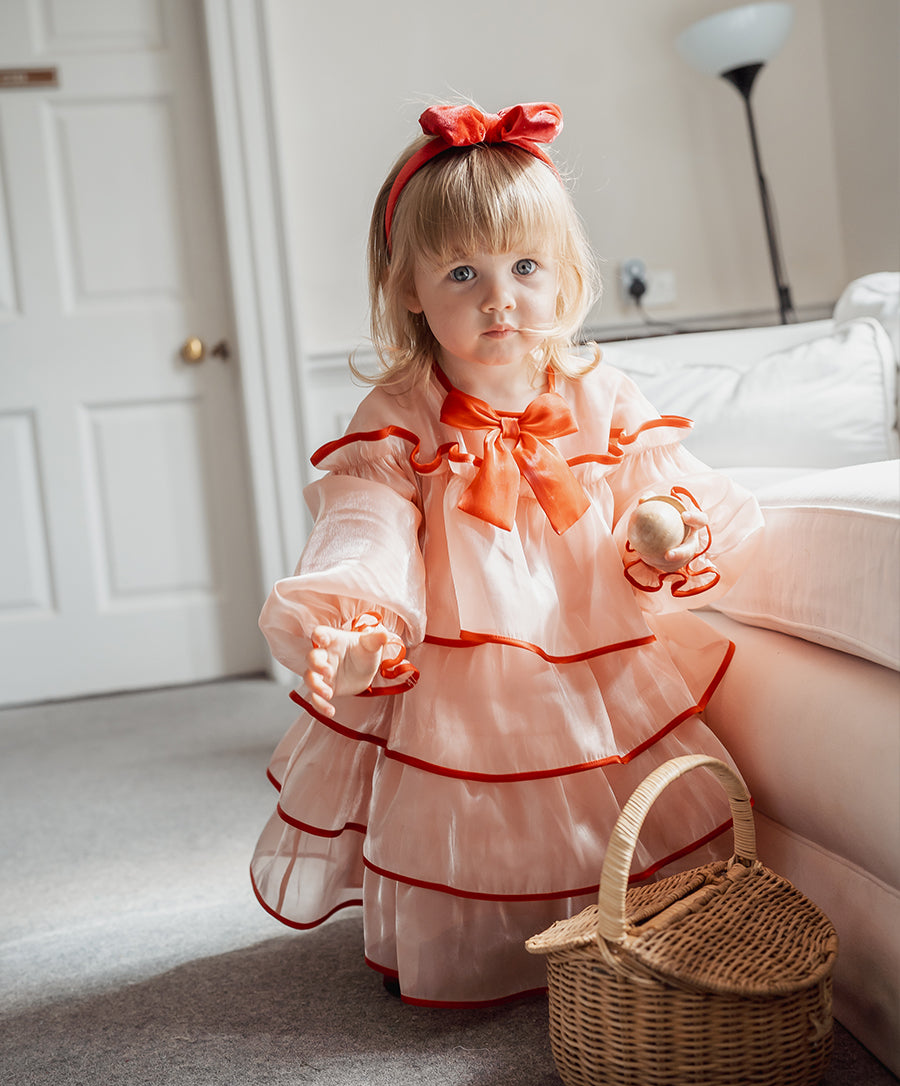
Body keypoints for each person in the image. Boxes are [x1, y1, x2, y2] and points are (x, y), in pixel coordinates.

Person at [250, 102, 763, 1007]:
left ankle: (611, 925)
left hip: (586, 630)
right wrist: (356, 619)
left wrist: (668, 529)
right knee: (471, 785)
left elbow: (657, 490)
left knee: (598, 773)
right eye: (463, 272)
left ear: (563, 275)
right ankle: (480, 942)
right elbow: (367, 522)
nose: (499, 298)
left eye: (525, 267)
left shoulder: (598, 391)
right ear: (409, 289)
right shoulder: (400, 415)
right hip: (461, 650)